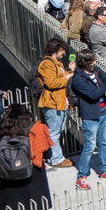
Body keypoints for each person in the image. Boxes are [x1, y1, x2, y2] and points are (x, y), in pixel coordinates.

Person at [70, 50, 106, 190]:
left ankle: (104, 169)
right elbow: (93, 95)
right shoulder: (78, 79)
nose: (94, 63)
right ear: (84, 62)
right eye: (91, 61)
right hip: (90, 116)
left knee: (103, 143)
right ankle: (82, 175)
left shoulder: (97, 70)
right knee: (89, 146)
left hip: (103, 112)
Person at [36, 37, 74, 169]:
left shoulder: (57, 63)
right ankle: (56, 159)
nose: (64, 52)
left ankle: (56, 156)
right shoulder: (47, 64)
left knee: (58, 130)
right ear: (56, 49)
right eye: (62, 50)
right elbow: (51, 83)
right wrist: (68, 77)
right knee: (53, 132)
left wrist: (70, 73)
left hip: (60, 101)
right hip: (52, 102)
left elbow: (60, 79)